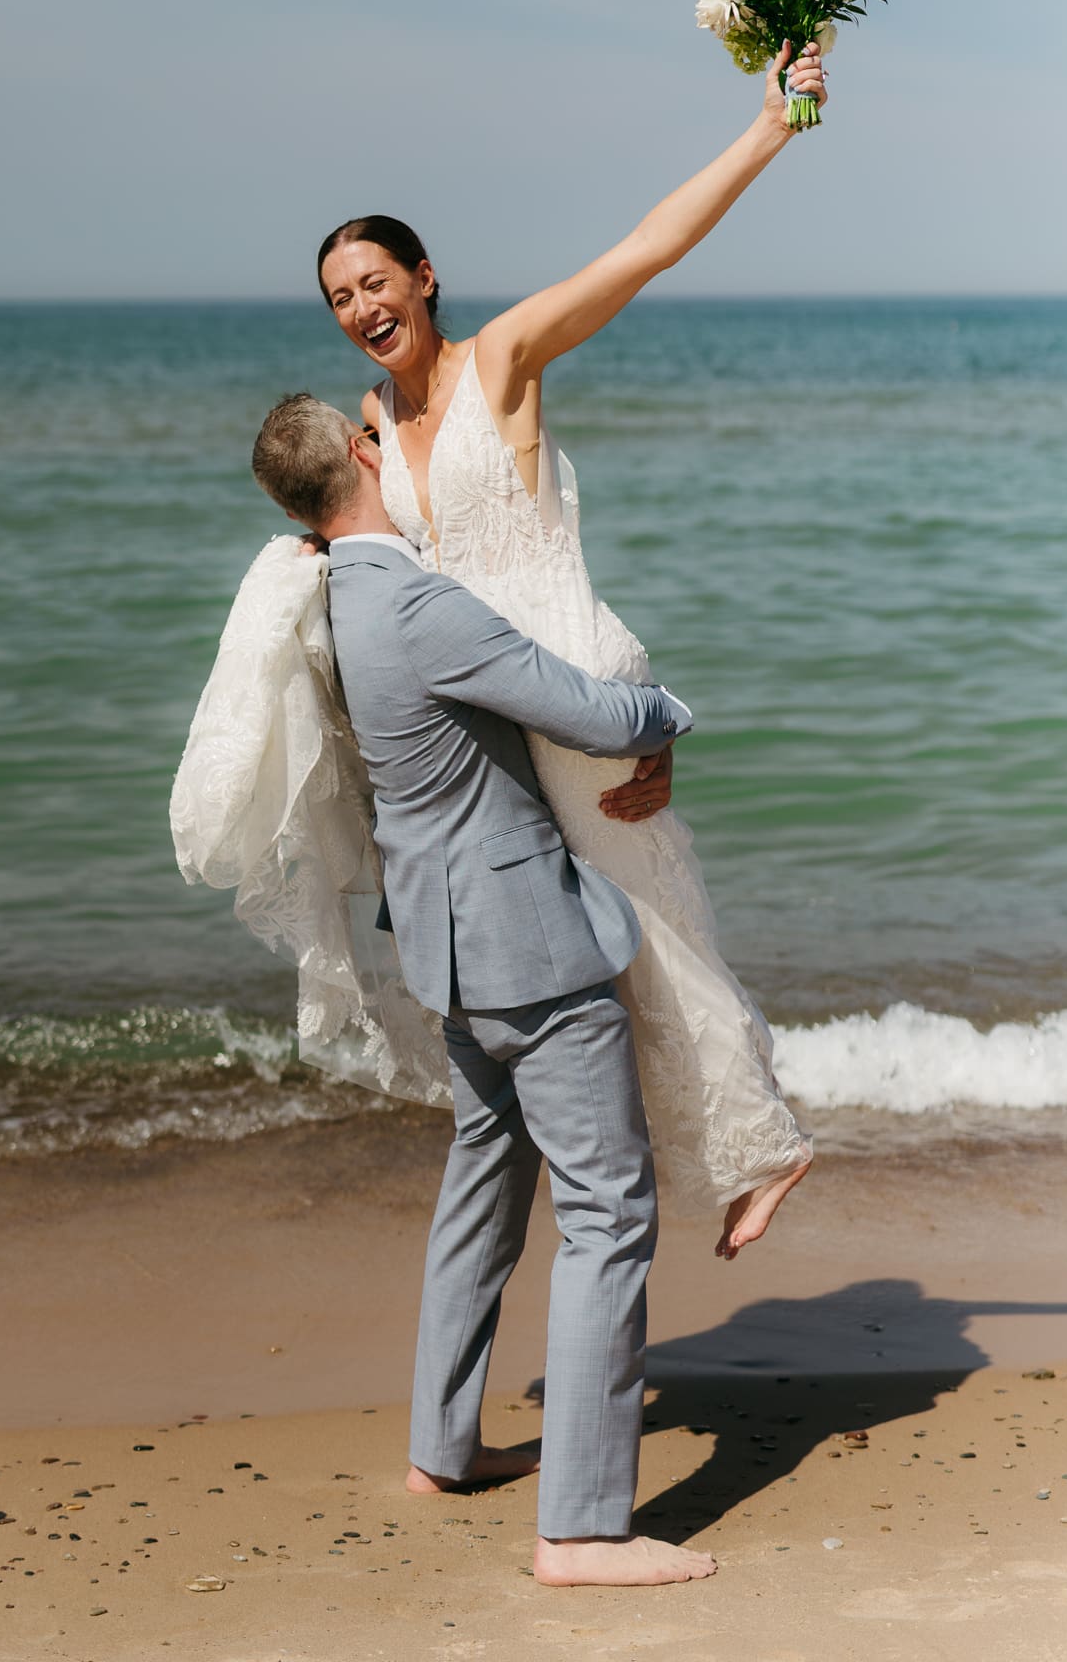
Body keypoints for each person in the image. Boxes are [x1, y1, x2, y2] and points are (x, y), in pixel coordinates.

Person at [317, 42, 823, 1251]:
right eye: (339, 297)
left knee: (642, 926)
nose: (361, 308)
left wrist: (770, 128)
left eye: (376, 280)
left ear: (425, 277)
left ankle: (764, 1142)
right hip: (518, 709)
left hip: (577, 679)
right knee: (618, 922)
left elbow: (645, 250)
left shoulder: (502, 360)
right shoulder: (377, 427)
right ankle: (717, 1146)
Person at [250, 390, 717, 1587]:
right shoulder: (411, 599)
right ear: (361, 456)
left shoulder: (342, 591)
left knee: (483, 1179)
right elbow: (583, 709)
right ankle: (580, 1528)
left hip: (450, 949)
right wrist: (671, 708)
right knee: (611, 1209)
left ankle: (440, 1446)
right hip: (525, 947)